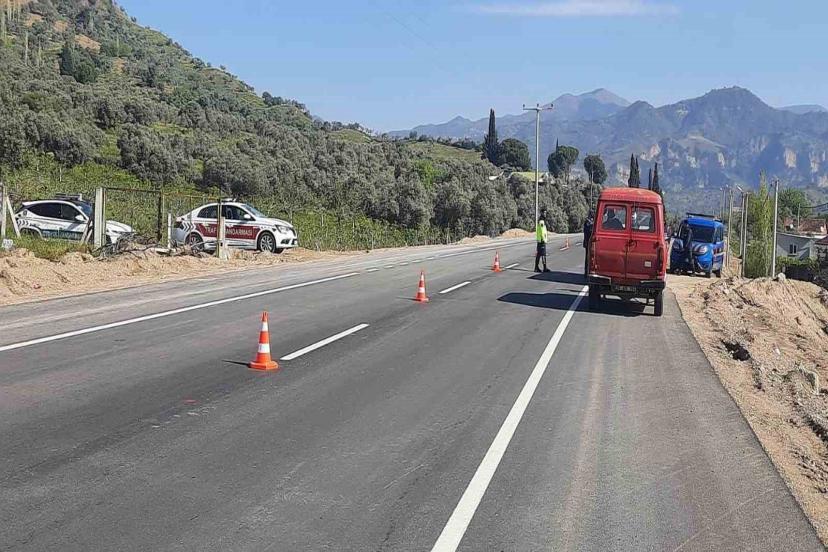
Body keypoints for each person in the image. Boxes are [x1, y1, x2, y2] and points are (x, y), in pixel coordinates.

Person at [583, 211, 594, 276]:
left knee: (591, 257)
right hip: (588, 241)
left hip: (590, 241)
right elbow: (587, 231)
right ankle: (586, 271)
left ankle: (588, 271)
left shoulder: (591, 221)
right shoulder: (588, 221)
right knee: (588, 257)